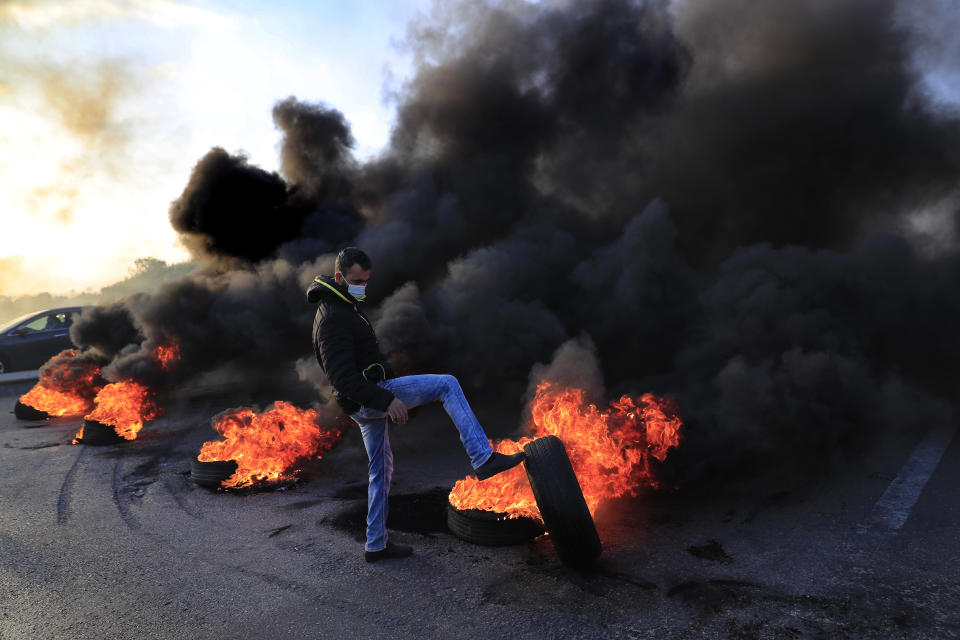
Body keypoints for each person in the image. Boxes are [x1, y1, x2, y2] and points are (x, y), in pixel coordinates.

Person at [308, 247, 525, 562]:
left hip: (363, 402)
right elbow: (342, 379)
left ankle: (376, 544)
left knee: (380, 472)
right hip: (369, 398)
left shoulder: (342, 305)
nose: (362, 287)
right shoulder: (332, 319)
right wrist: (389, 398)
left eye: (366, 281)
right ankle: (483, 458)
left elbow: (360, 359)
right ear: (340, 277)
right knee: (446, 384)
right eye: (357, 281)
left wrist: (385, 370)